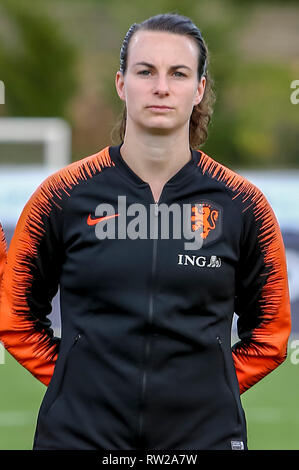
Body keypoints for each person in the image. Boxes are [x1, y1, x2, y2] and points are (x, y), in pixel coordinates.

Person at [0, 13, 291, 451]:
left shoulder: (242, 204)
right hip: (79, 437)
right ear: (121, 84)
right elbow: (16, 319)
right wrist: (79, 385)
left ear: (199, 89)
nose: (161, 87)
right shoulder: (61, 196)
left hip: (205, 438)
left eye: (178, 73)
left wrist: (204, 391)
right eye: (145, 71)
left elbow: (269, 335)